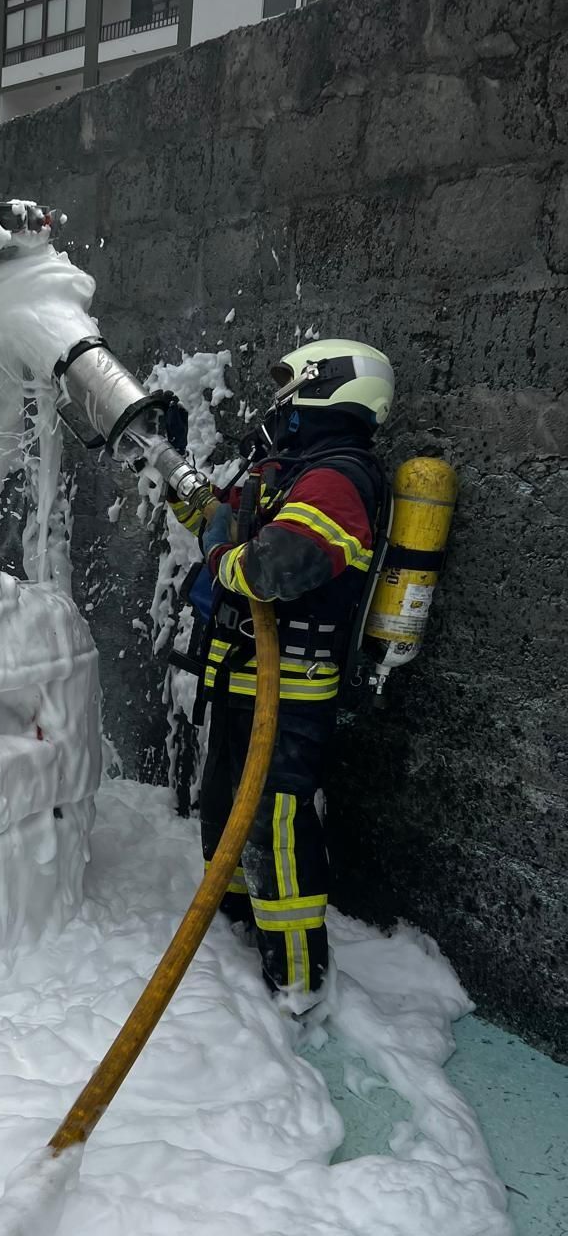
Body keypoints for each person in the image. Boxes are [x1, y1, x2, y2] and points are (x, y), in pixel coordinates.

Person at [171, 340, 393, 1009]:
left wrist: (221, 557)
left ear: (328, 389)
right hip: (245, 679)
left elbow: (274, 565)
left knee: (276, 828)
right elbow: (232, 525)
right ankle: (241, 933)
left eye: (291, 388)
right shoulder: (290, 470)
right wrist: (195, 504)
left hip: (288, 687)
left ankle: (295, 977)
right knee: (227, 816)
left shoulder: (338, 476)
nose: (280, 403)